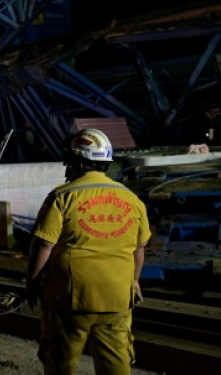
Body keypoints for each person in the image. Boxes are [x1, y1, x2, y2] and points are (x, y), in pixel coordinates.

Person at [26, 128, 150, 375]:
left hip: (71, 297)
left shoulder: (63, 196)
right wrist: (134, 281)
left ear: (77, 161)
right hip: (116, 297)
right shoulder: (131, 199)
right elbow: (139, 248)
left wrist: (31, 282)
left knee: (60, 361)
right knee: (115, 363)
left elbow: (44, 245)